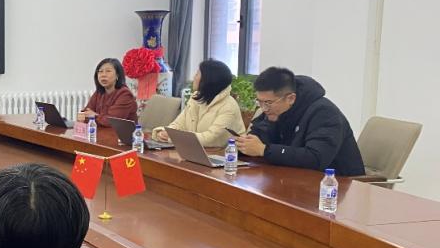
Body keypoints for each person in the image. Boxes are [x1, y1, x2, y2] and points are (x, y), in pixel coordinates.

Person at [236, 67, 365, 176]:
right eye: (259, 102)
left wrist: (264, 150)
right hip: (292, 178)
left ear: (291, 98)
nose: (264, 108)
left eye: (268, 103)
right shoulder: (275, 111)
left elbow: (315, 158)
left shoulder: (324, 113)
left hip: (336, 185)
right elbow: (260, 133)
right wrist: (246, 144)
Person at [153, 59, 244, 147]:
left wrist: (173, 138)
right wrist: (164, 132)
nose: (194, 77)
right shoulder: (197, 98)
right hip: (197, 151)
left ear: (208, 80)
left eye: (197, 74)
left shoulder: (229, 106)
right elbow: (179, 124)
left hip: (226, 155)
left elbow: (209, 139)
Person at [78, 58, 138, 126]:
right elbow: (86, 113)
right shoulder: (99, 92)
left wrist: (94, 116)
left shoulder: (125, 94)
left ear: (117, 75)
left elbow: (112, 121)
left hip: (124, 132)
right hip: (102, 130)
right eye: (100, 71)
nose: (103, 75)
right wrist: (84, 115)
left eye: (108, 71)